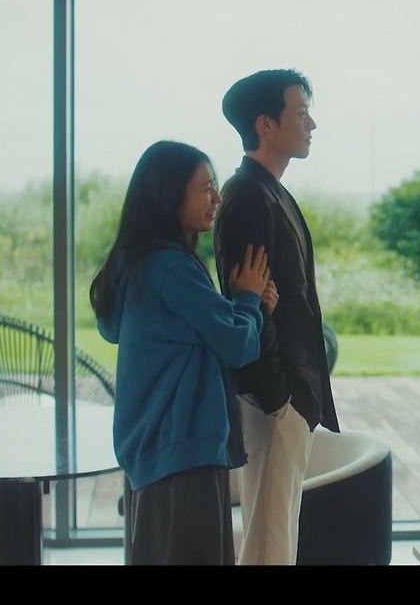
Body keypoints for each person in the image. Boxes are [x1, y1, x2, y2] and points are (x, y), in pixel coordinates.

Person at [91, 140, 277, 565]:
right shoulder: (171, 268)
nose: (217, 198)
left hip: (152, 452)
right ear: (169, 196)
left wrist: (242, 309)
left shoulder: (135, 263)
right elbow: (237, 347)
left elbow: (187, 330)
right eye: (206, 188)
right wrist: (249, 300)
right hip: (184, 454)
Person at [214, 69, 340, 565]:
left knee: (275, 537)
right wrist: (277, 398)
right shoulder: (248, 197)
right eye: (301, 113)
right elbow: (246, 300)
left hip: (285, 394)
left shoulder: (267, 191)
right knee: (269, 542)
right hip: (272, 397)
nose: (312, 125)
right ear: (265, 124)